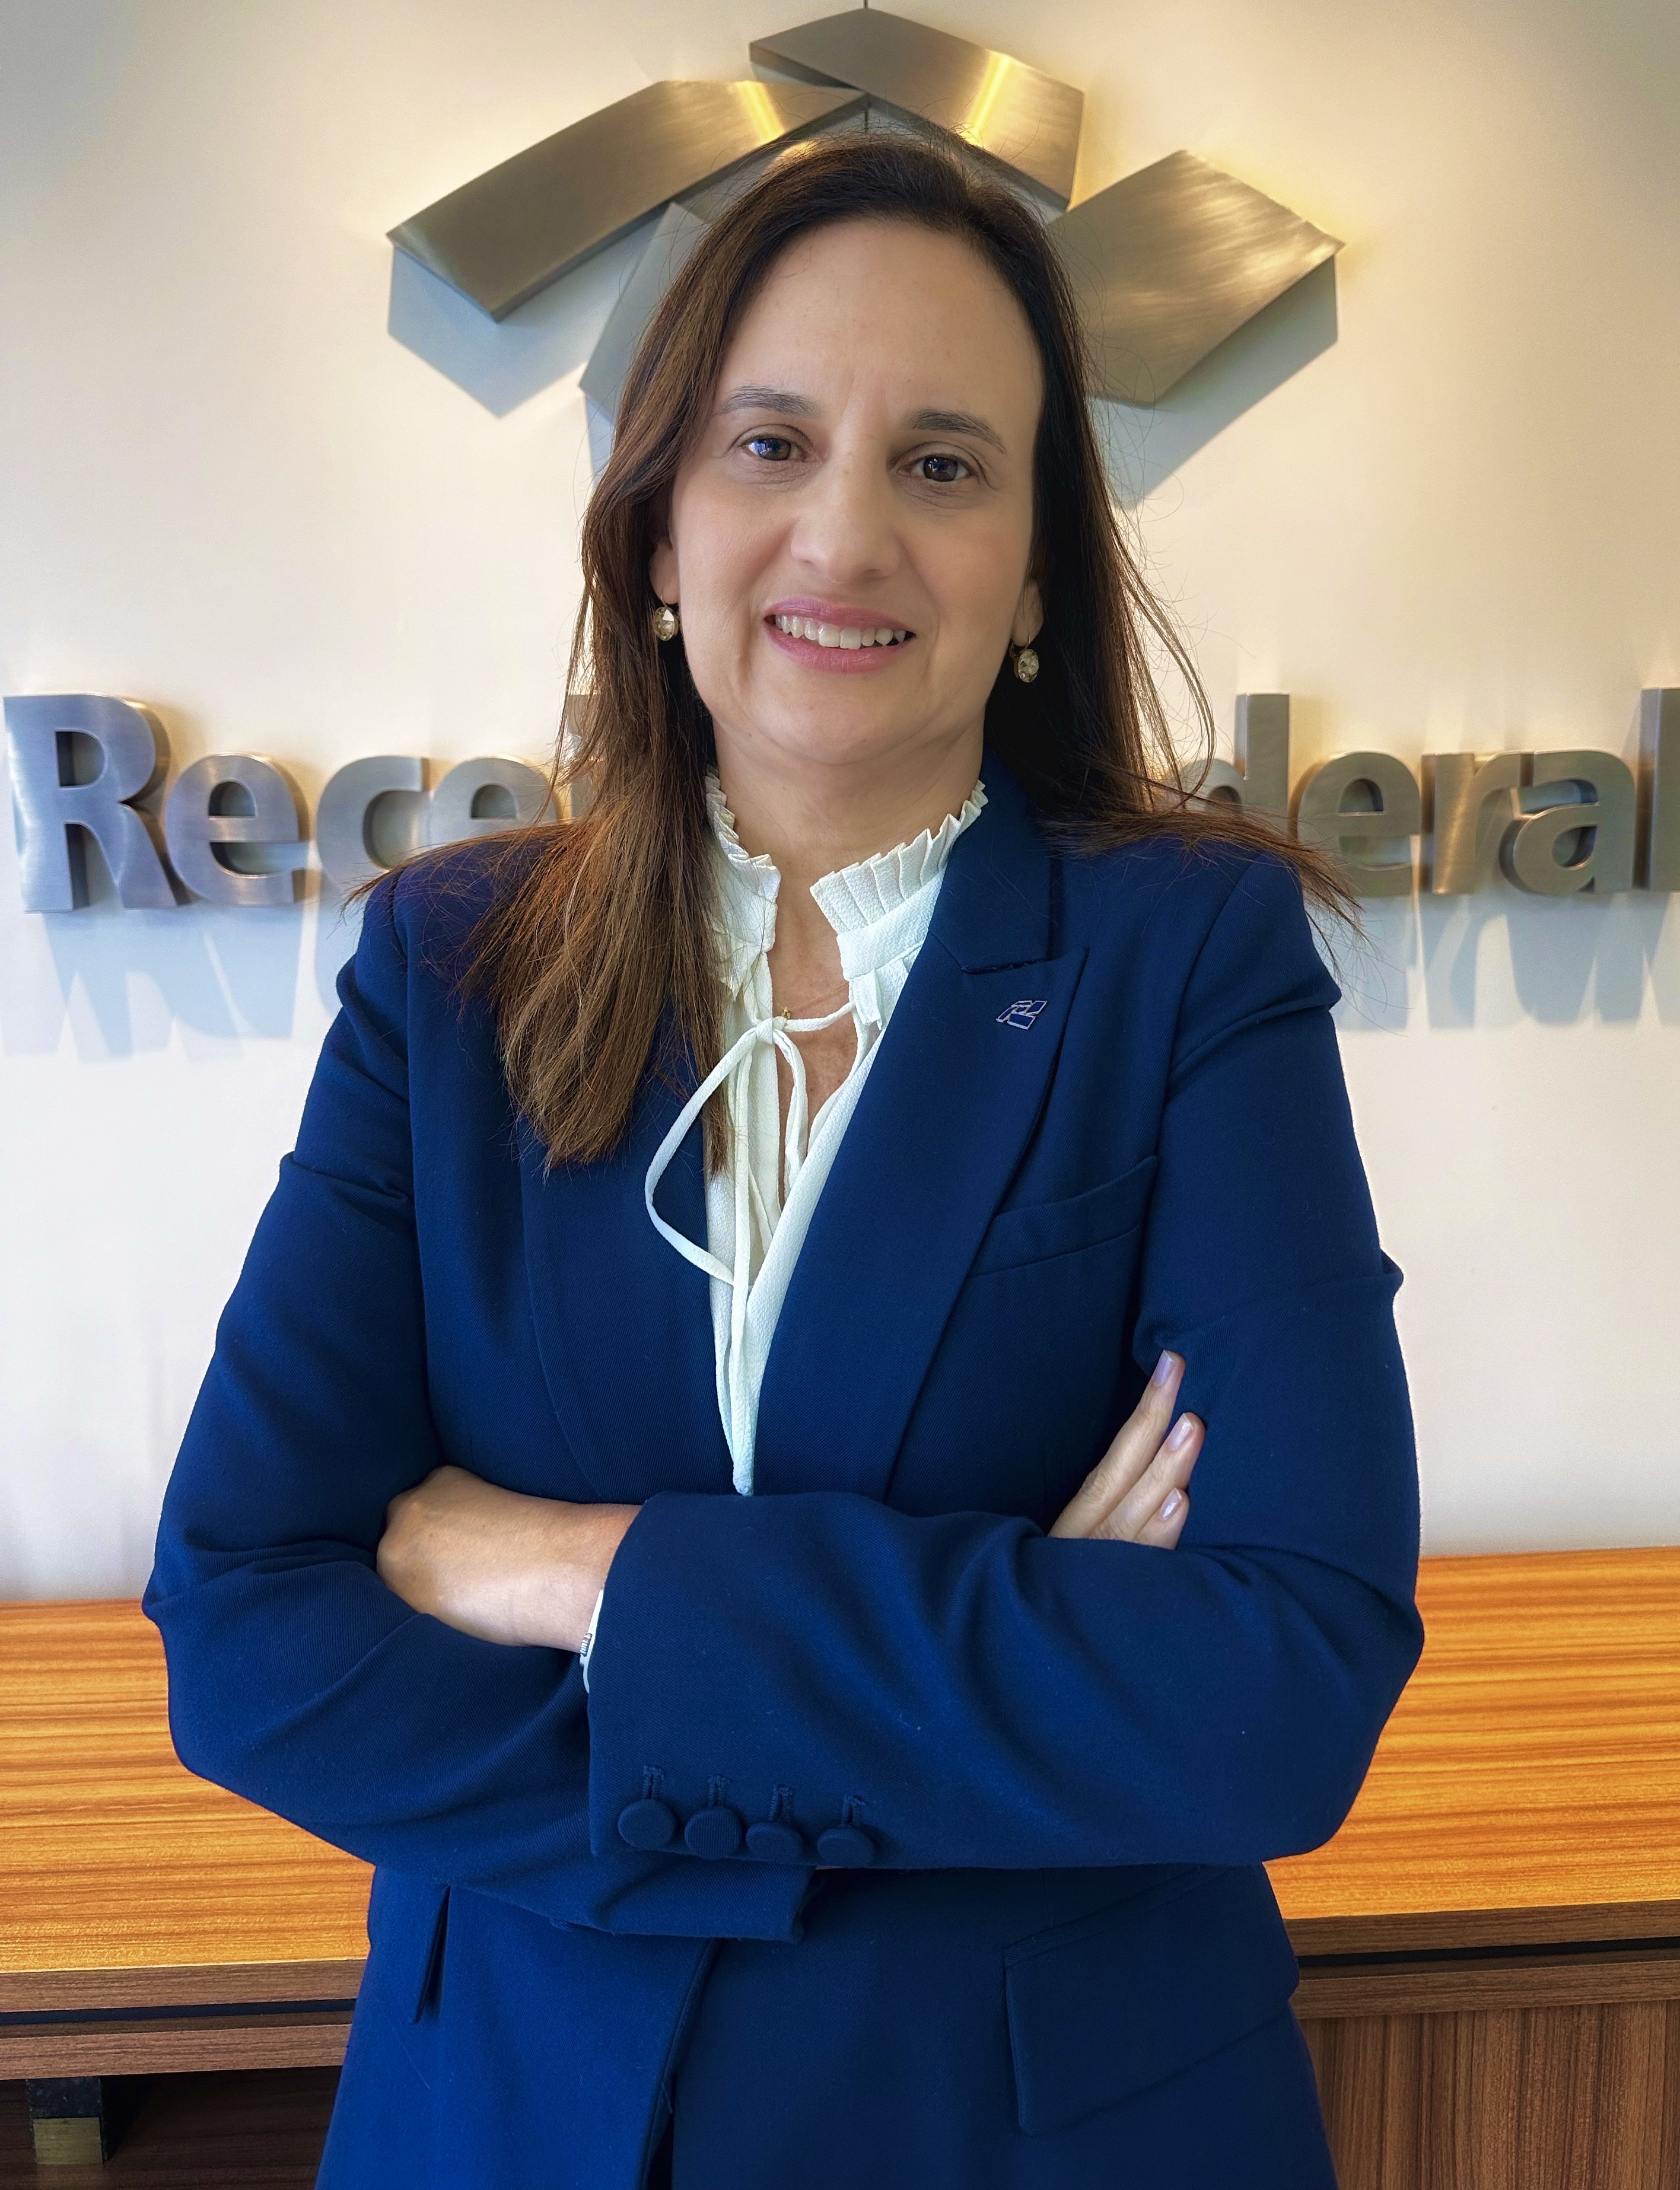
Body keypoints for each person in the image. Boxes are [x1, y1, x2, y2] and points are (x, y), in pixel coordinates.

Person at [146, 131, 1421, 2190]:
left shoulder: (1190, 958)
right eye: (769, 444)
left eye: (943, 463)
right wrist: (1009, 1647)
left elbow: (1280, 1692)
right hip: (518, 2116)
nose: (846, 534)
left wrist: (577, 1572)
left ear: (1035, 571)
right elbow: (246, 1634)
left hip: (1036, 2136)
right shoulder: (451, 969)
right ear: (659, 533)